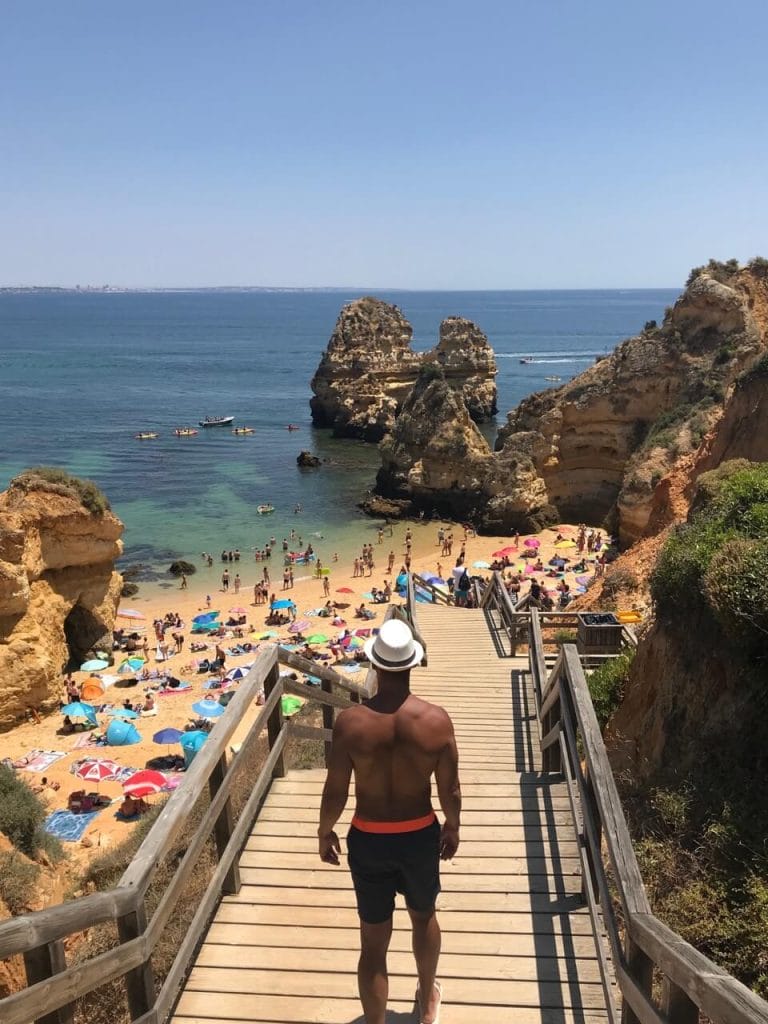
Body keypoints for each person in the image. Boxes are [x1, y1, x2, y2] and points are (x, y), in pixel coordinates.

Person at [318, 619, 460, 1024]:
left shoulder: (351, 722)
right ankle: (427, 999)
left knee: (373, 941)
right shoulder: (436, 721)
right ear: (411, 664)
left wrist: (325, 830)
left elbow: (336, 791)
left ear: (377, 665)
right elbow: (450, 790)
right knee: (424, 915)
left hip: (369, 838)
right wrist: (452, 825)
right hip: (419, 836)